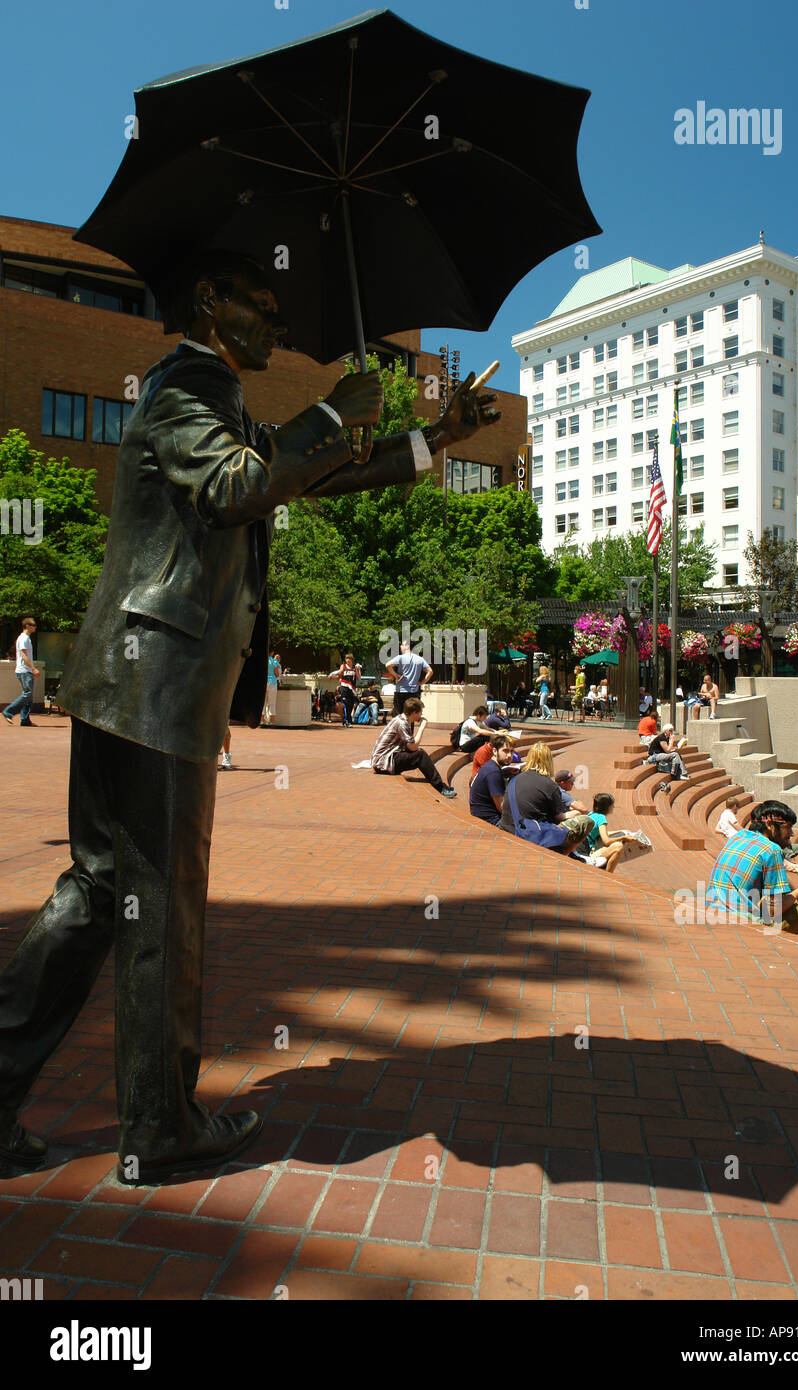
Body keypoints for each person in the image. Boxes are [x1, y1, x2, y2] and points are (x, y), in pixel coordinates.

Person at [0, 249, 499, 1183]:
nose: (274, 322)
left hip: (135, 683)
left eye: (277, 306)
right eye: (257, 304)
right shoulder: (188, 385)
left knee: (101, 891)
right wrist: (330, 409)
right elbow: (238, 486)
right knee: (161, 907)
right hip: (154, 687)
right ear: (208, 302)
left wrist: (434, 438)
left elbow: (304, 475)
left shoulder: (214, 400)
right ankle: (158, 1128)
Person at [705, 800, 798, 945]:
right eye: (788, 827)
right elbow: (772, 910)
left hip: (712, 914)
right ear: (769, 824)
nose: (791, 833)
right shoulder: (771, 850)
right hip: (744, 927)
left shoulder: (737, 837)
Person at [498, 743, 592, 854]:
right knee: (586, 821)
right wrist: (577, 813)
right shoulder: (549, 785)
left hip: (507, 827)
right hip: (530, 833)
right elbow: (560, 817)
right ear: (548, 761)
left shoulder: (515, 779)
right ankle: (568, 855)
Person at [370, 696, 456, 798]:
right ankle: (440, 788)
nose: (421, 715)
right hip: (383, 763)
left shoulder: (402, 720)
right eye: (420, 712)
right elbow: (413, 747)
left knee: (419, 755)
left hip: (386, 759)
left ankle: (440, 785)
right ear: (414, 712)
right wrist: (422, 728)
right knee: (420, 755)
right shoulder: (402, 723)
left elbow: (409, 745)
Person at [469, 736, 516, 826]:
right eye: (505, 751)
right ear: (494, 751)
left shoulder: (490, 766)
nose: (509, 755)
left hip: (482, 814)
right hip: (491, 820)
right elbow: (502, 807)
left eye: (511, 751)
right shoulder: (493, 772)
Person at [3, 617, 39, 727]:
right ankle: (8, 711)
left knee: (29, 696)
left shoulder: (26, 638)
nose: (35, 627)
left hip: (24, 670)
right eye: (33, 625)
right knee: (27, 694)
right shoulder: (23, 638)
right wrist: (33, 668)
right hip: (24, 671)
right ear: (27, 626)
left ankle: (25, 720)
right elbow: (23, 655)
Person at [579, 792, 626, 873]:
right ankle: (608, 875)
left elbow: (602, 833)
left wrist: (620, 831)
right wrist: (623, 838)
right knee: (618, 846)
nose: (613, 807)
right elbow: (606, 841)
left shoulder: (591, 814)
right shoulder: (601, 818)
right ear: (607, 807)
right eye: (612, 805)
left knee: (619, 835)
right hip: (589, 854)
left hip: (581, 849)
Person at [385, 641, 433, 716]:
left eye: (402, 645)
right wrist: (422, 682)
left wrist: (396, 675)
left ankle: (401, 728)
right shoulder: (420, 659)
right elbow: (430, 671)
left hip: (400, 691)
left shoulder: (400, 658)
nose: (400, 646)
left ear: (407, 646)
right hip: (414, 691)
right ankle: (410, 728)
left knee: (399, 715)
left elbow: (388, 665)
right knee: (411, 714)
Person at [329, 651, 362, 727]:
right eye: (346, 658)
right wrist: (332, 677)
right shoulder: (343, 666)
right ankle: (348, 721)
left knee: (350, 705)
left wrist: (358, 670)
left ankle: (346, 721)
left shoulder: (354, 668)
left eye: (349, 658)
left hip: (352, 689)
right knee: (345, 703)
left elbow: (359, 678)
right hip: (344, 687)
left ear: (352, 659)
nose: (348, 660)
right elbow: (339, 676)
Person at [262, 647, 281, 725]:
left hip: (263, 683)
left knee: (263, 702)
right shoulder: (274, 662)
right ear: (272, 652)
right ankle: (271, 722)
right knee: (272, 702)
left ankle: (261, 721)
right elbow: (277, 674)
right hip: (272, 682)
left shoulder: (263, 661)